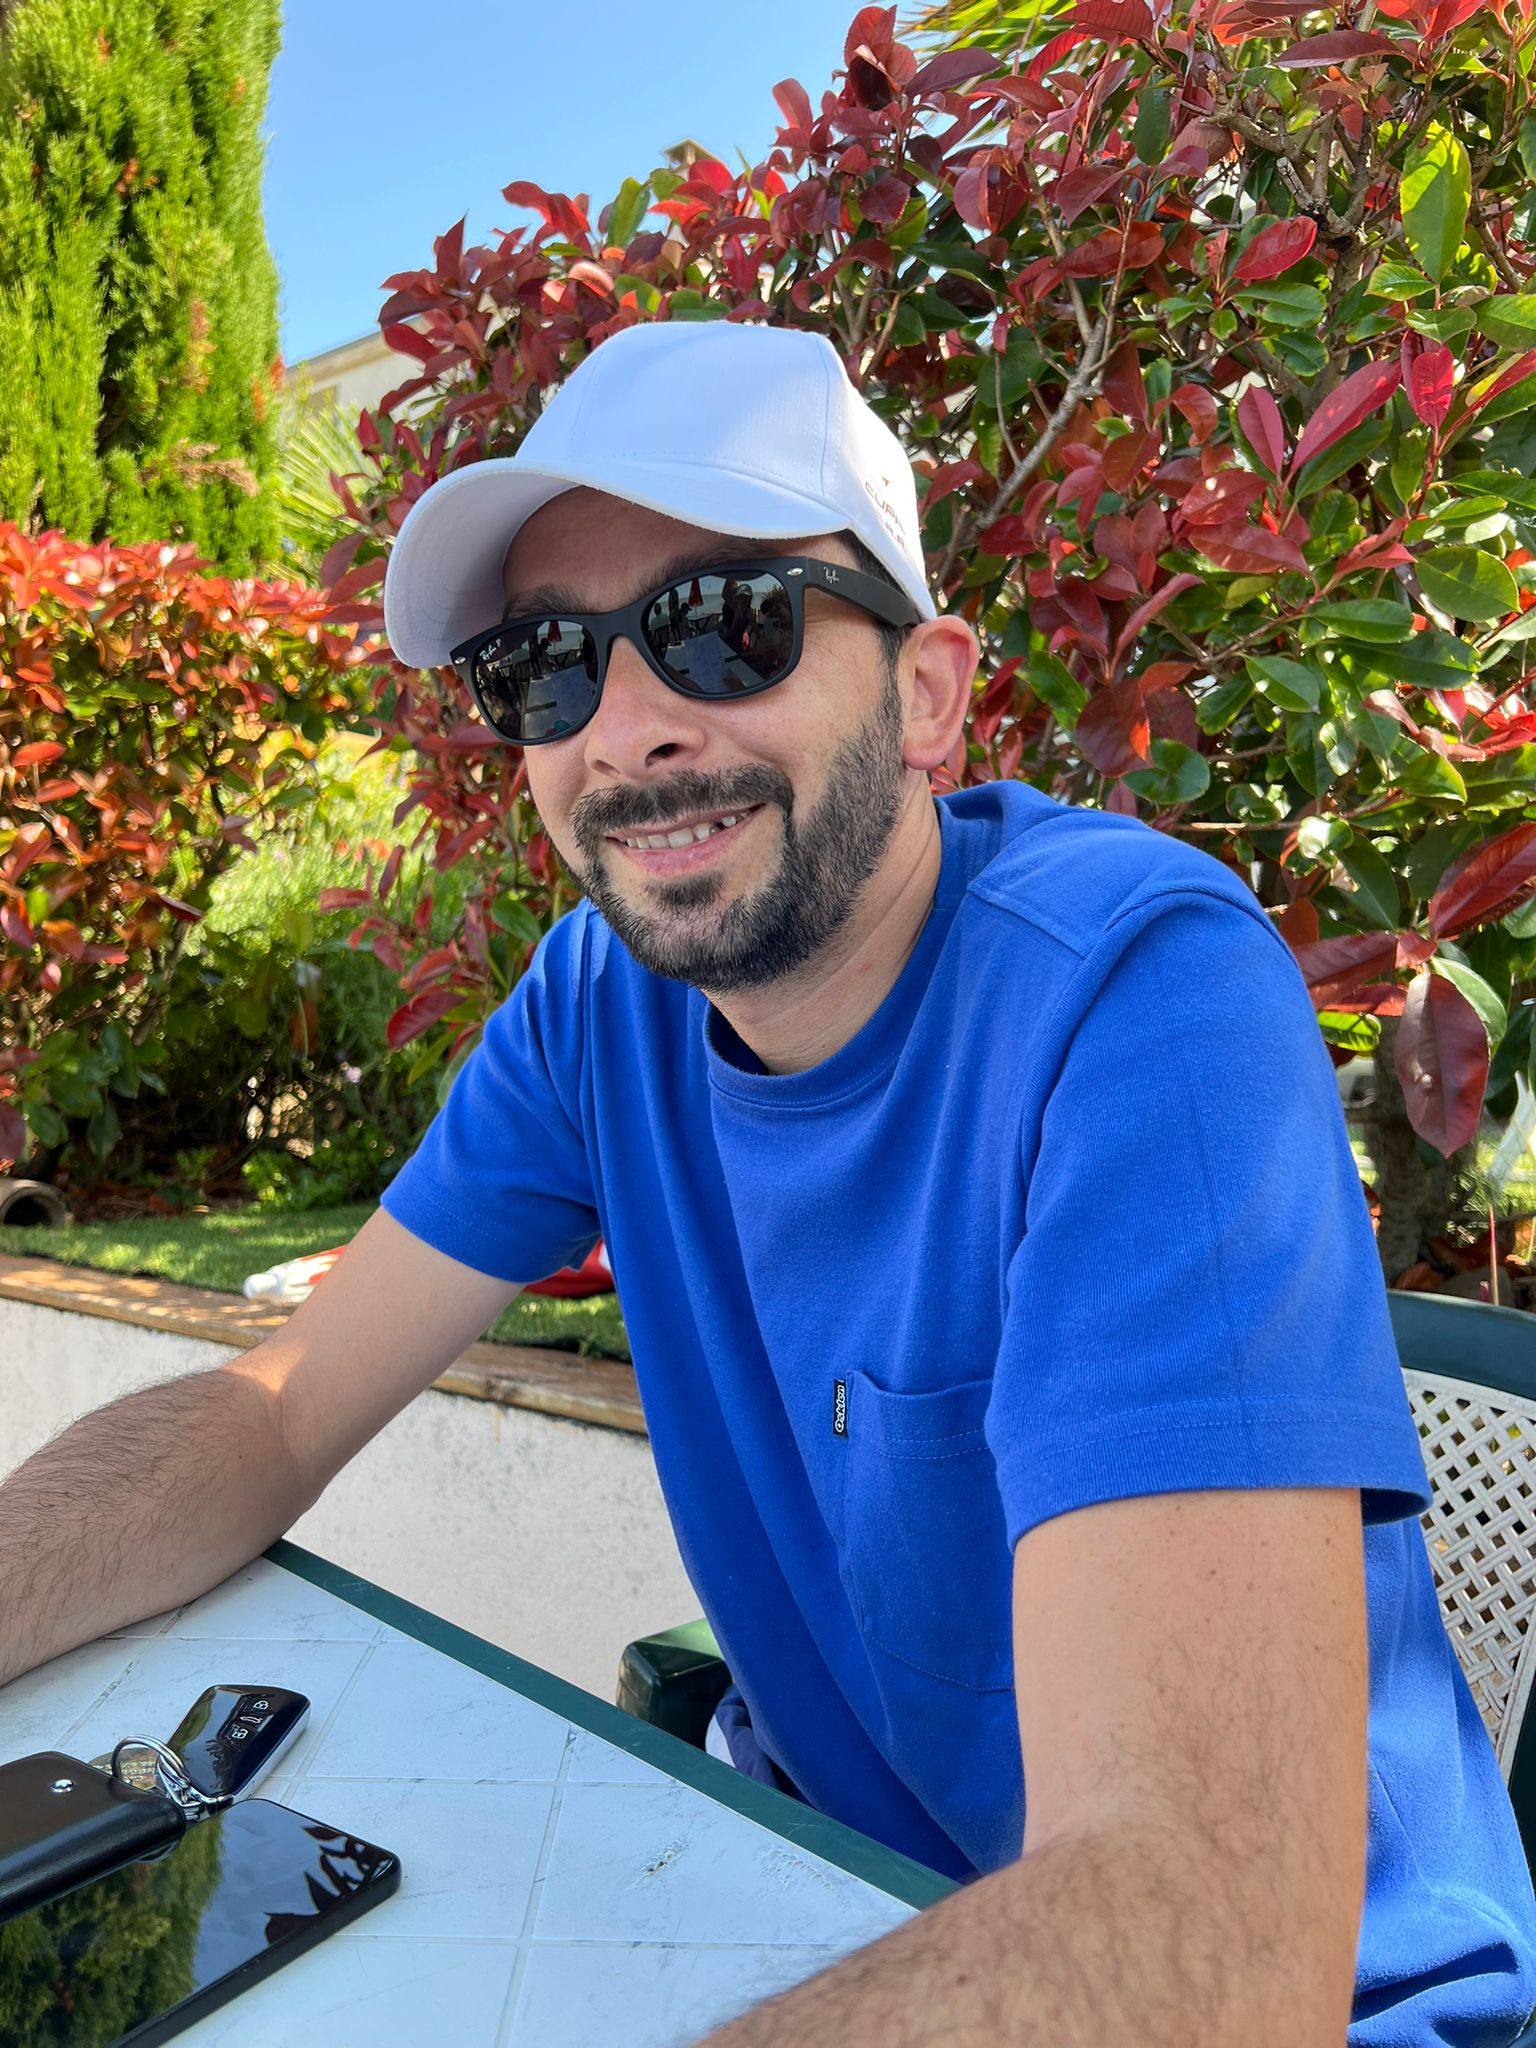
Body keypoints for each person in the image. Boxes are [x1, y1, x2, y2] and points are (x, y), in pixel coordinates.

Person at [1, 320, 1532, 2047]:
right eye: (546, 669)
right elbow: (277, 1411)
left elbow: (1214, 1944)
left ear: (928, 694)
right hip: (843, 1902)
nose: (626, 734)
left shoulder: (1138, 1000)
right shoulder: (601, 1010)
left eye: (726, 626)